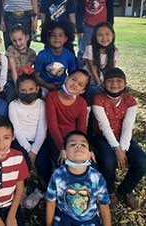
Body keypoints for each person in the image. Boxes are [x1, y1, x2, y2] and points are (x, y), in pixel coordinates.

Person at [25, 69, 91, 209]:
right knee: (42, 161)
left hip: (71, 141)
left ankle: (66, 193)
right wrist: (62, 147)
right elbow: (53, 125)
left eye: (80, 84)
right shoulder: (52, 97)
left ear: (83, 90)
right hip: (51, 138)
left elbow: (81, 130)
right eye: (73, 79)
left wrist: (85, 147)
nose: (75, 84)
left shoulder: (81, 103)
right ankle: (42, 188)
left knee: (75, 162)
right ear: (67, 78)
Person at [92, 67, 146, 210]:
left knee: (142, 161)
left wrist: (123, 148)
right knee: (109, 162)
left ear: (125, 83)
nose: (114, 84)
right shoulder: (99, 99)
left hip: (123, 137)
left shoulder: (130, 101)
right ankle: (110, 192)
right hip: (101, 136)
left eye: (119, 81)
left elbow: (128, 126)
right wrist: (116, 149)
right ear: (104, 83)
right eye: (110, 81)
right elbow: (104, 126)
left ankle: (125, 190)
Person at [46, 130, 111, 226]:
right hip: (64, 220)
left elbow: (104, 205)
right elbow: (51, 202)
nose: (78, 146)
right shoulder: (58, 175)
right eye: (72, 144)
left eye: (83, 145)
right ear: (64, 153)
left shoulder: (97, 178)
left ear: (90, 155)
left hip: (89, 222)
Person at [8, 72, 47, 209]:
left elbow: (42, 129)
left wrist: (34, 151)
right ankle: (21, 190)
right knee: (20, 163)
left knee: (43, 164)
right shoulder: (13, 105)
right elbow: (16, 130)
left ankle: (41, 190)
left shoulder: (42, 105)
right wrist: (29, 151)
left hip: (39, 141)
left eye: (31, 90)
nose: (27, 93)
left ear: (37, 89)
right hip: (20, 141)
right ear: (17, 91)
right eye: (23, 90)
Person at [76, 0, 114, 68]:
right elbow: (79, 11)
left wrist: (110, 28)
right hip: (87, 27)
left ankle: (100, 73)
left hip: (102, 27)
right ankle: (81, 72)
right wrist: (79, 28)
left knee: (102, 51)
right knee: (83, 51)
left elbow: (110, 10)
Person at [34, 22, 76, 96]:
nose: (57, 38)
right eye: (53, 35)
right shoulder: (42, 55)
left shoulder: (69, 55)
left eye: (60, 35)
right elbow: (36, 76)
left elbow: (73, 75)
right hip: (45, 86)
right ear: (48, 38)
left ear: (66, 38)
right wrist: (48, 86)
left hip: (63, 86)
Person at [83, 22, 119, 103]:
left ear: (113, 35)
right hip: (92, 81)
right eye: (100, 35)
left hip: (105, 81)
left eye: (107, 34)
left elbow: (112, 70)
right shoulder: (90, 49)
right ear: (95, 37)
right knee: (96, 92)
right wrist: (99, 84)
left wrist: (108, 84)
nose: (104, 38)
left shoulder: (114, 51)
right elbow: (93, 70)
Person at [5, 24, 36, 102]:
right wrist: (17, 86)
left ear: (27, 37)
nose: (18, 43)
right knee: (10, 93)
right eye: (14, 41)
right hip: (13, 80)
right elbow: (13, 70)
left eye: (20, 39)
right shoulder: (11, 49)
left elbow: (27, 69)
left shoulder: (31, 53)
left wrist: (24, 86)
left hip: (26, 80)